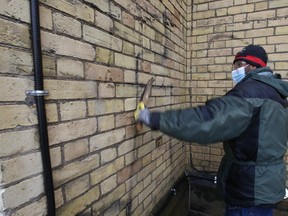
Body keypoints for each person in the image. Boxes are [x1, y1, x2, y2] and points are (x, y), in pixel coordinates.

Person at [135, 45, 288, 216]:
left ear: (253, 66)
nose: (235, 70)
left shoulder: (248, 94)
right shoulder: (278, 96)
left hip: (248, 191)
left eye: (239, 64)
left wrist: (153, 118)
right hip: (268, 188)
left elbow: (206, 121)